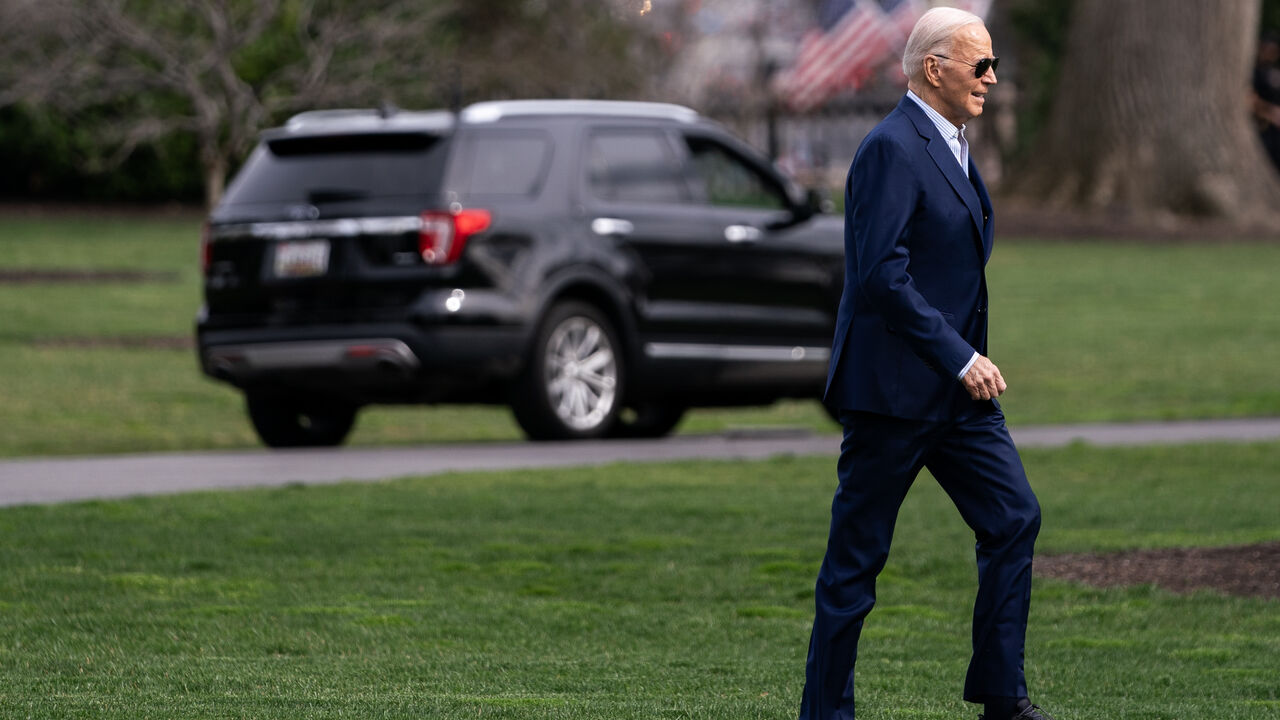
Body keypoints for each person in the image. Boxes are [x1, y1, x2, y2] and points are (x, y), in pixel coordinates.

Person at [799, 8, 1053, 720]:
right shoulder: (890, 148)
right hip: (893, 393)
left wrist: (960, 365)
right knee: (856, 563)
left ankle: (1002, 697)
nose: (992, 80)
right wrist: (959, 355)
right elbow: (881, 275)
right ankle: (825, 713)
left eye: (994, 64)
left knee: (1014, 518)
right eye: (981, 67)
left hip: (958, 400)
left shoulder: (956, 144)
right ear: (934, 68)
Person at [1252, 33, 1280, 172]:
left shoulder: (1274, 72)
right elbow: (1249, 98)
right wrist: (1271, 113)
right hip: (1262, 127)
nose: (1269, 52)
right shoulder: (1252, 72)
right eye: (1266, 47)